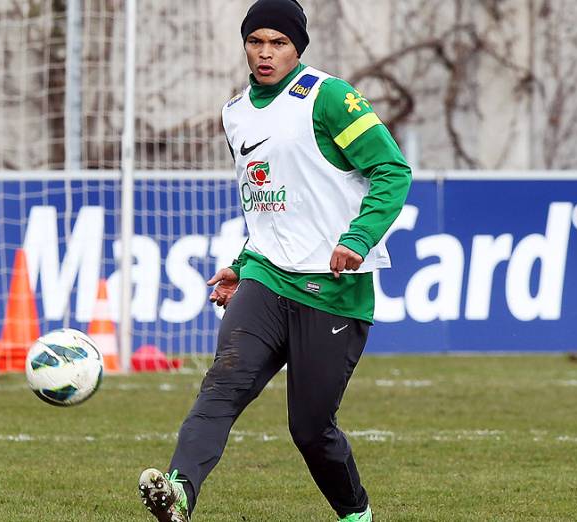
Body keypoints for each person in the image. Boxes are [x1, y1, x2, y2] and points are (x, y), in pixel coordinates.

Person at [138, 0, 411, 520]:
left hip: (332, 288)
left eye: (278, 43)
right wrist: (242, 265)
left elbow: (392, 170)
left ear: (297, 47)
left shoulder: (329, 97)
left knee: (310, 429)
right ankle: (177, 492)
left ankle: (356, 514)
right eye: (256, 41)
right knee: (222, 385)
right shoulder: (235, 112)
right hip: (266, 278)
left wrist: (358, 238)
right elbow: (268, 202)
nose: (265, 53)